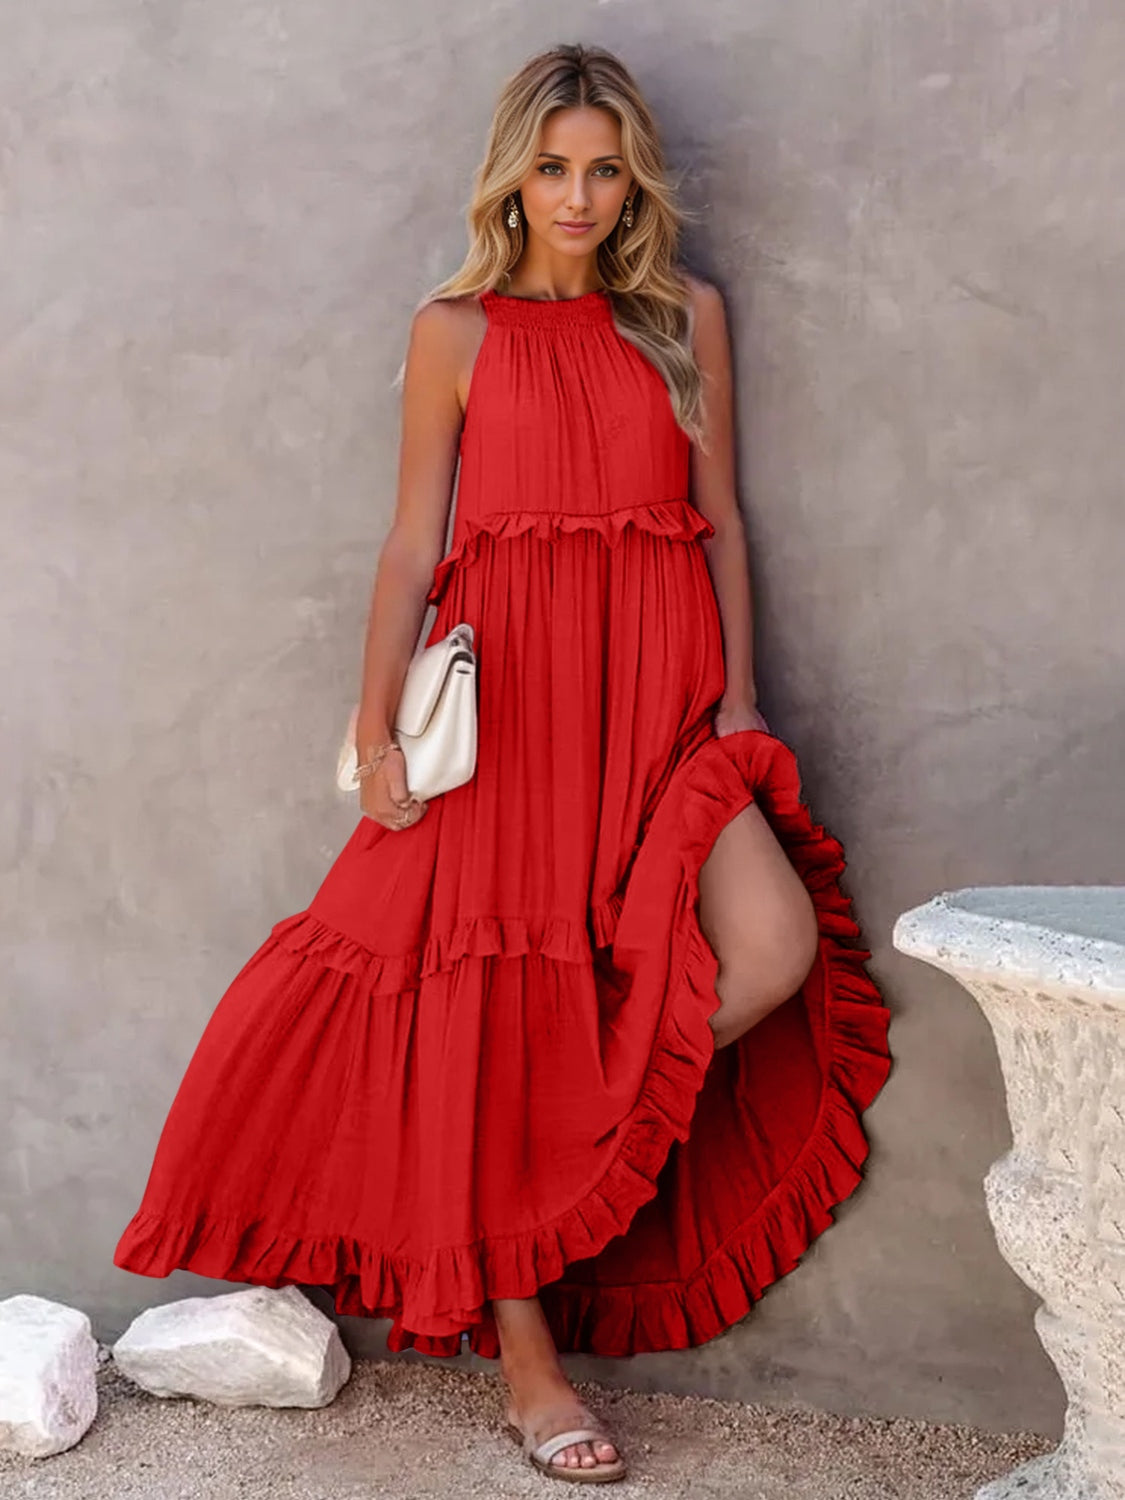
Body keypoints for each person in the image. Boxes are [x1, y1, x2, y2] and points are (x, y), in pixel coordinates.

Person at [114, 41, 892, 1485]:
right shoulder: (455, 330)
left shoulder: (684, 317)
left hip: (661, 708)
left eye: (603, 168)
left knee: (769, 946)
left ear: (631, 178)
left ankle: (555, 1135)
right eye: (553, 168)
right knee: (491, 1006)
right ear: (512, 180)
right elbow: (414, 539)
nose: (580, 195)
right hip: (516, 714)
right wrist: (372, 728)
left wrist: (740, 702)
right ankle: (528, 1369)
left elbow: (721, 517)